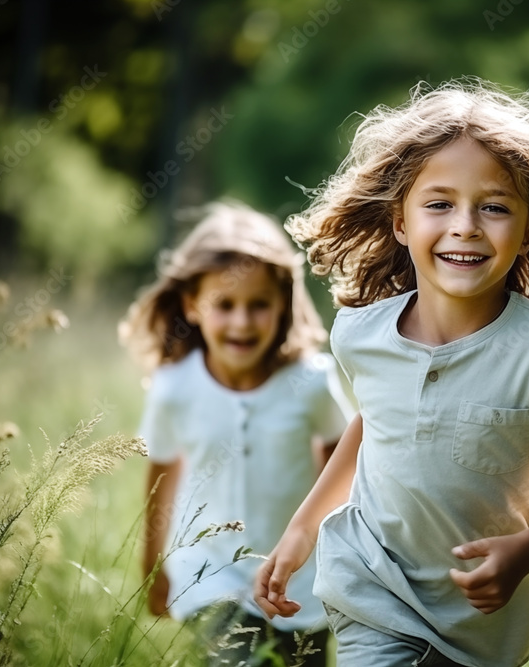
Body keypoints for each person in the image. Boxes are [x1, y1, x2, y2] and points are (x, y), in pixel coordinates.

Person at [252, 78, 529, 667]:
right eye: (439, 204)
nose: (466, 225)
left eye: (495, 206)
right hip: (369, 585)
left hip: (486, 621)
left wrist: (525, 553)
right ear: (401, 222)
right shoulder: (359, 334)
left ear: (528, 228)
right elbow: (374, 423)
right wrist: (303, 529)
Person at [120, 201, 352, 667]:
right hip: (209, 576)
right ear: (192, 305)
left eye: (258, 305)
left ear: (281, 304)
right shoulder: (175, 387)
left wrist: (347, 552)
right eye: (224, 305)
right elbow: (162, 478)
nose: (242, 322)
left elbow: (342, 462)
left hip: (300, 578)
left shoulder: (310, 382)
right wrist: (153, 567)